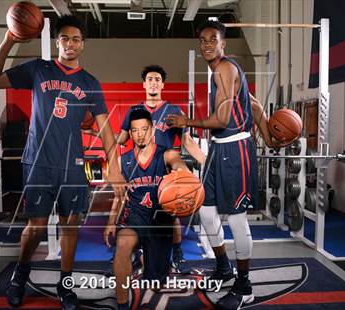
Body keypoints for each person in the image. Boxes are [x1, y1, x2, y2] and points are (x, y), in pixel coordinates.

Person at [0, 15, 125, 310]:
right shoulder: (38, 69)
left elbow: (106, 129)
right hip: (38, 162)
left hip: (72, 165)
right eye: (64, 39)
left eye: (76, 39)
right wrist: (9, 39)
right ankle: (20, 275)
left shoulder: (89, 82)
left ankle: (66, 284)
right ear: (56, 41)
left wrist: (115, 168)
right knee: (35, 226)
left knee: (71, 226)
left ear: (82, 44)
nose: (70, 44)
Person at [166, 19, 279, 309]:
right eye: (202, 40)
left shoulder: (226, 68)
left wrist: (185, 121)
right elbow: (254, 105)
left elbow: (223, 120)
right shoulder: (220, 71)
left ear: (223, 43)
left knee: (237, 219)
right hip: (218, 150)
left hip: (235, 150)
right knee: (206, 212)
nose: (207, 44)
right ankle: (223, 266)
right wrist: (268, 135)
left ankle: (245, 285)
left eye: (212, 39)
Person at [117, 65, 206, 269]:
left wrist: (207, 163)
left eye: (157, 79)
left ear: (163, 84)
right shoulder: (134, 111)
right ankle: (134, 252)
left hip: (164, 169)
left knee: (170, 213)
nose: (154, 82)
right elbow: (120, 140)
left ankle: (177, 253)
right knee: (135, 214)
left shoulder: (174, 111)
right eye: (150, 79)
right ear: (144, 84)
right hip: (139, 170)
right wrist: (100, 137)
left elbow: (187, 141)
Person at [104, 108, 191, 309]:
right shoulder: (123, 161)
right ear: (131, 133)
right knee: (123, 248)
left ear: (152, 130)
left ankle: (145, 257)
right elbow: (120, 197)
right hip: (134, 219)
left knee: (156, 282)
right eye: (135, 130)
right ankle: (122, 305)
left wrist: (182, 172)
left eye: (144, 129)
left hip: (160, 222)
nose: (140, 134)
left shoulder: (166, 154)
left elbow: (177, 162)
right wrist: (110, 222)